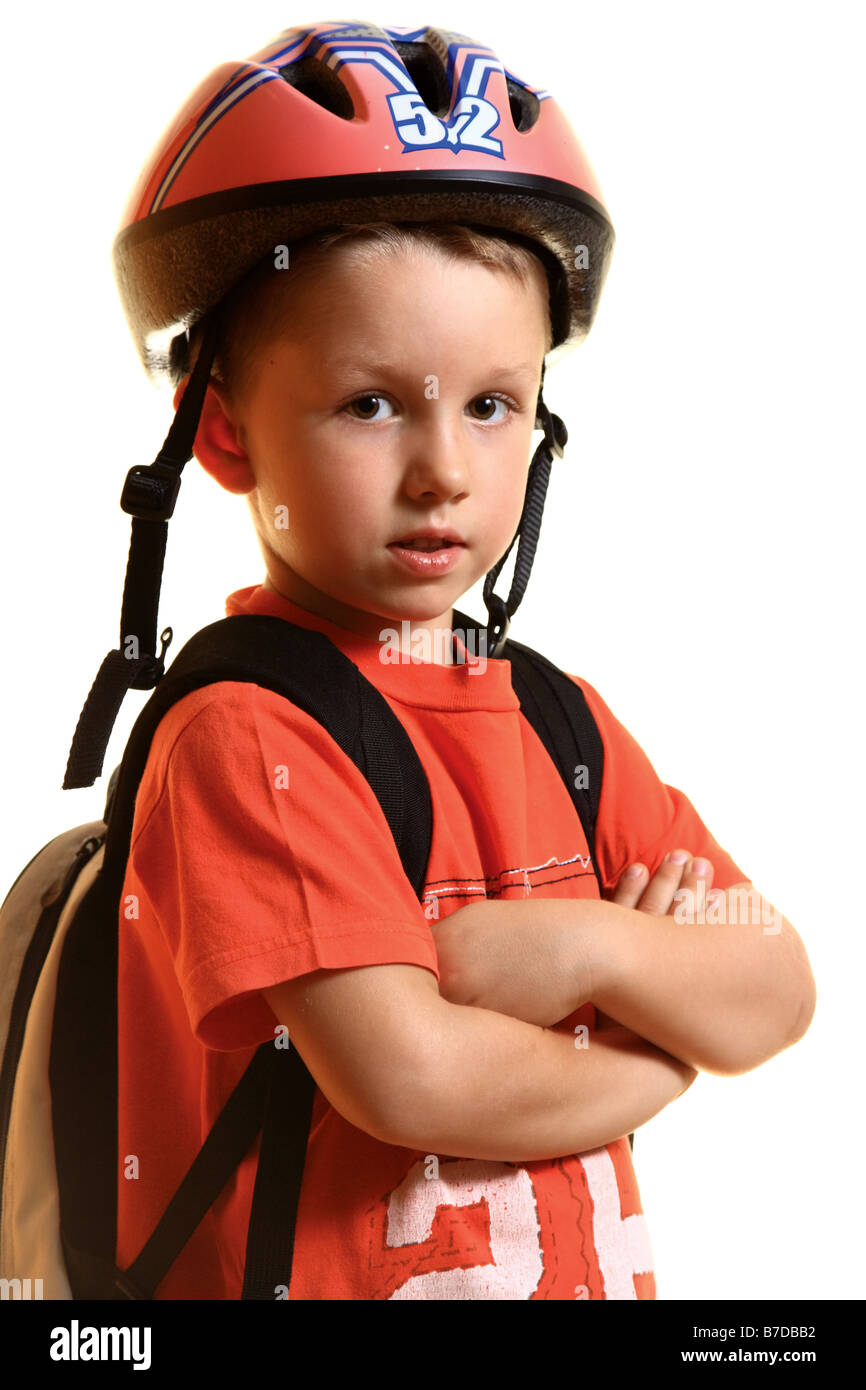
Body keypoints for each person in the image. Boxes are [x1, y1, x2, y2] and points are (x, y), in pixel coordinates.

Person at [110, 20, 816, 1299]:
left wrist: (585, 952)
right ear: (222, 436)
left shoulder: (562, 725)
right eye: (370, 401)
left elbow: (772, 984)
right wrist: (658, 1059)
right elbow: (410, 1076)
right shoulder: (251, 735)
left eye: (491, 403)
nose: (443, 470)